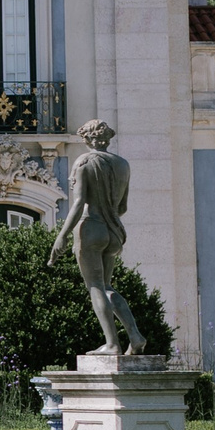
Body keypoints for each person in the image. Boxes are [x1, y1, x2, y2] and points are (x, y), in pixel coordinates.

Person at [49, 118, 149, 356]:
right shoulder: (123, 165)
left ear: (87, 139)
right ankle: (134, 335)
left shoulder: (84, 162)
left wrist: (61, 236)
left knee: (95, 286)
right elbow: (122, 206)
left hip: (90, 228)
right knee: (107, 286)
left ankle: (112, 344)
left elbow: (78, 202)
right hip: (114, 231)